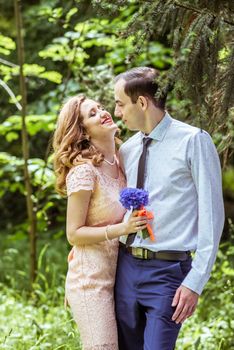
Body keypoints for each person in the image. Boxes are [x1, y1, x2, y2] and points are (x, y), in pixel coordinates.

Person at [113, 67, 225, 350]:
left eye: (120, 103)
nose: (116, 112)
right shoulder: (127, 149)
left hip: (168, 272)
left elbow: (213, 217)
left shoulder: (194, 141)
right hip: (125, 268)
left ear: (141, 103)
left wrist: (195, 282)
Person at [52, 95, 148, 350]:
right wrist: (121, 229)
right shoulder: (84, 171)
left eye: (101, 108)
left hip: (122, 275)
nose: (103, 112)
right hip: (90, 280)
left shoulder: (123, 158)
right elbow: (73, 234)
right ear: (82, 131)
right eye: (92, 114)